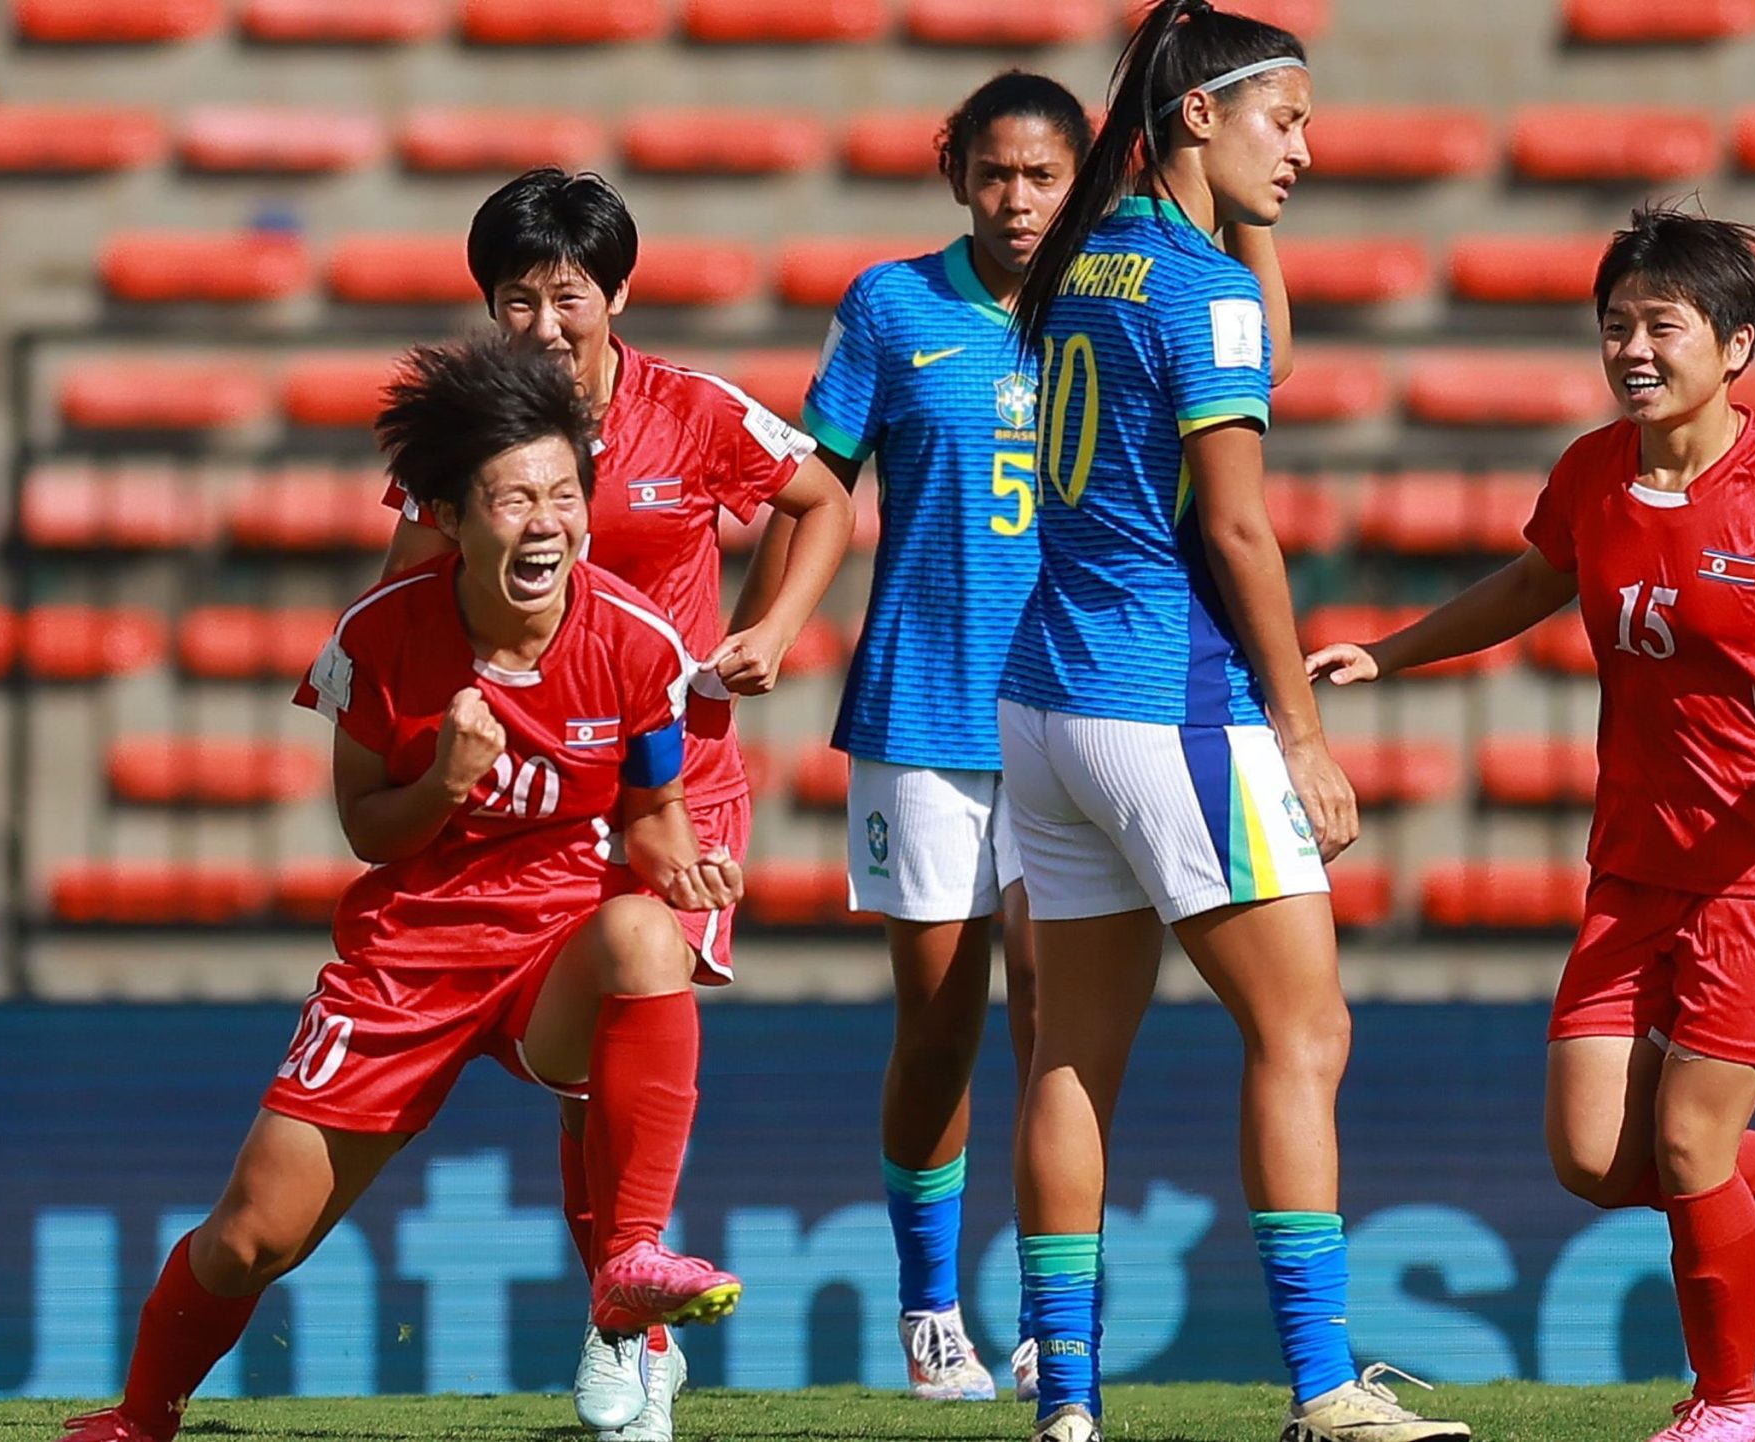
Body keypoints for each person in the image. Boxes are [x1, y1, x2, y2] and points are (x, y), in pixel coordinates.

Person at [1308, 206, 1755, 1442]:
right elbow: (1533, 580)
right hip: (1631, 874)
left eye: (1662, 324)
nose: (1633, 348)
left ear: (1737, 342)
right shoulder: (1593, 468)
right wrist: (1391, 655)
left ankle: (1731, 1407)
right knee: (1598, 1158)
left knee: (1693, 1141)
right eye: (1616, 325)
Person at [56, 339, 744, 1442]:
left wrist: (681, 863)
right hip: (410, 955)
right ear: (447, 514)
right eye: (513, 497)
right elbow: (368, 831)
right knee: (251, 1236)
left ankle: (628, 1263)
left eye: (564, 493)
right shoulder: (380, 636)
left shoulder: (637, 640)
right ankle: (139, 1418)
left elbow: (651, 812)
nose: (546, 522)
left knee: (646, 938)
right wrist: (442, 781)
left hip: (557, 943)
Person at [995, 5, 1469, 1440]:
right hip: (1167, 698)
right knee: (1304, 1027)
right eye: (1289, 122)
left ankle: (1067, 1403)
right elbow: (1246, 529)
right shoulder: (1195, 288)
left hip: (1045, 701)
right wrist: (1300, 733)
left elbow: (1259, 336)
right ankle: (1324, 1384)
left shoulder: (1085, 254)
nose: (1308, 153)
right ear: (1199, 115)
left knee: (1072, 1054)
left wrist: (1245, 213)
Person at [376, 169, 856, 1440]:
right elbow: (403, 596)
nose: (541, 324)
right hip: (536, 810)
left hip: (671, 785)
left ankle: (617, 1326)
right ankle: (627, 1317)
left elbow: (822, 502)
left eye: (566, 297)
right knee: (590, 1074)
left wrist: (771, 629)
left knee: (615, 1058)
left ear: (618, 296)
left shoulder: (690, 412)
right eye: (515, 300)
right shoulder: (474, 441)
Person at [761, 69, 1090, 1404]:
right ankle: (929, 1307)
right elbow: (815, 481)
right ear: (959, 172)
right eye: (998, 173)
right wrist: (763, 632)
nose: (1018, 200)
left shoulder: (1112, 309)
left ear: (1082, 184)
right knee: (943, 1025)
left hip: (1072, 711)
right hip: (919, 708)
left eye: (1044, 176)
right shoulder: (889, 305)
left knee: (1056, 1021)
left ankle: (1053, 1317)